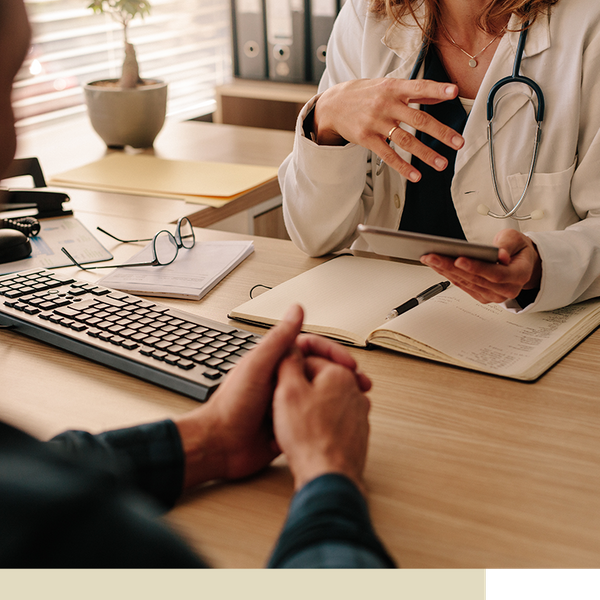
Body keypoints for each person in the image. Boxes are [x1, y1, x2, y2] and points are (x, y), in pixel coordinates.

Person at [0, 0, 394, 568]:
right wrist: (328, 475)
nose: (12, 148)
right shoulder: (84, 538)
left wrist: (207, 441)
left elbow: (28, 474)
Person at [280, 0, 600, 314]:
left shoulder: (588, 23)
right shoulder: (367, 15)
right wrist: (326, 118)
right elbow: (316, 237)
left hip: (531, 329)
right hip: (385, 315)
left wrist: (543, 265)